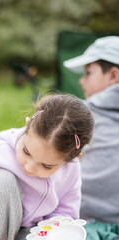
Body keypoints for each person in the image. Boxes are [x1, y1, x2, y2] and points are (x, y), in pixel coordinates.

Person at [0, 94, 95, 240]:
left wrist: (53, 231)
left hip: (25, 232)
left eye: (46, 166)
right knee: (2, 180)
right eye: (26, 151)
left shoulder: (71, 170)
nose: (29, 167)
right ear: (27, 126)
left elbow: (65, 213)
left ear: (71, 158)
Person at [64, 36, 119, 229]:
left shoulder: (82, 115)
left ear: (113, 76)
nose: (81, 80)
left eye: (88, 73)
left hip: (81, 220)